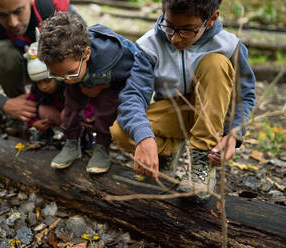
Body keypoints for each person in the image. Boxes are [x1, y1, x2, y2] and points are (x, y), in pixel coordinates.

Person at [110, 0, 256, 199]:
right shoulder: (149, 44)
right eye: (169, 27)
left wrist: (235, 133)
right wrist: (144, 137)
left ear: (211, 19)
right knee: (121, 131)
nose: (175, 39)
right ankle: (168, 151)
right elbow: (134, 94)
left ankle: (201, 161)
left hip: (214, 114)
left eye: (187, 30)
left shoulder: (229, 45)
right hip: (176, 112)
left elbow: (245, 95)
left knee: (216, 63)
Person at [0, 0, 82, 125]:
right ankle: (23, 112)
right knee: (3, 51)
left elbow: (89, 55)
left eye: (18, 11)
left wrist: (78, 104)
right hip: (19, 66)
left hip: (57, 73)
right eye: (2, 14)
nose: (13, 23)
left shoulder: (55, 8)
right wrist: (5, 104)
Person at [38, 12, 135, 174]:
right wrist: (78, 78)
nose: (65, 80)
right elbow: (69, 76)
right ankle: (71, 142)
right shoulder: (70, 66)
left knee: (106, 110)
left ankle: (102, 146)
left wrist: (103, 86)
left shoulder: (116, 57)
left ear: (86, 53)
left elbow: (132, 76)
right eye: (58, 75)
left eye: (69, 73)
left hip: (110, 84)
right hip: (84, 77)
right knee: (71, 105)